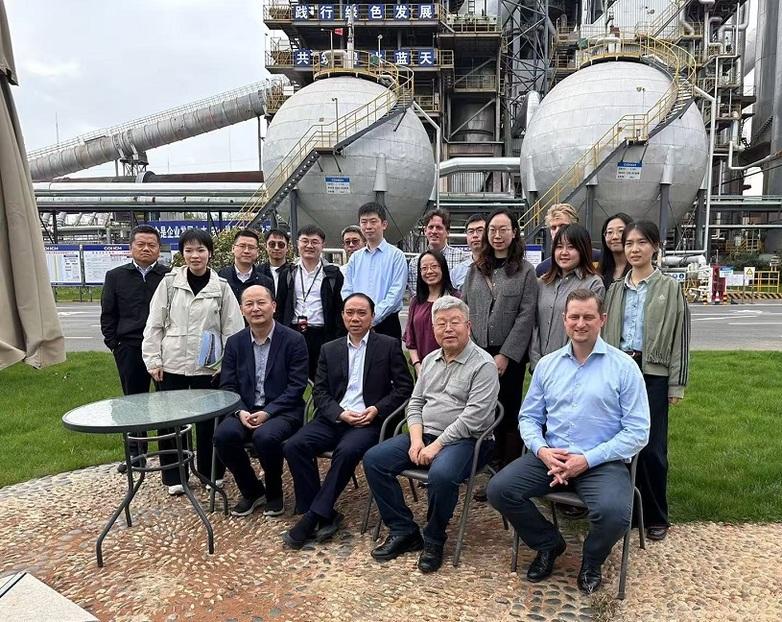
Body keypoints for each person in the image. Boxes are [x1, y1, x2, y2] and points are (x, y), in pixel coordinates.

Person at [487, 289, 650, 594]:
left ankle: (592, 560)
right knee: (500, 490)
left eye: (588, 316)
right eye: (574, 316)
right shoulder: (548, 365)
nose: (580, 323)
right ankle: (549, 544)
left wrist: (586, 460)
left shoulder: (623, 367)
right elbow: (529, 418)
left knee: (615, 513)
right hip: (552, 457)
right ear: (564, 320)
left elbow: (638, 431)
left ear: (602, 319)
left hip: (600, 461)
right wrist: (543, 450)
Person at [363, 296, 499, 573]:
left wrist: (435, 446)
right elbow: (415, 404)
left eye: (454, 322)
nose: (448, 328)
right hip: (425, 435)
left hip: (469, 439)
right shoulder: (430, 360)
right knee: (374, 460)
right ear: (434, 330)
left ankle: (435, 537)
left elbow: (473, 417)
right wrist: (415, 440)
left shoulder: (483, 365)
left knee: (442, 475)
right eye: (441, 324)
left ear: (468, 326)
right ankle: (403, 530)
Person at [282, 293, 413, 548]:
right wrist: (339, 413)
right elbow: (319, 392)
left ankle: (311, 518)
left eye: (362, 313)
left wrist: (376, 409)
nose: (355, 318)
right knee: (294, 445)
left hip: (369, 421)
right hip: (335, 417)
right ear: (342, 316)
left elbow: (404, 387)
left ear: (372, 317)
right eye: (350, 312)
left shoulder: (387, 345)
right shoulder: (329, 349)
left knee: (347, 450)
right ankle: (324, 512)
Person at [602, 220, 690, 542]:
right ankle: (623, 510)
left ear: (655, 246)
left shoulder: (669, 288)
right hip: (620, 371)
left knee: (652, 447)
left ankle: (655, 515)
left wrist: (675, 384)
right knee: (617, 443)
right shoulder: (615, 290)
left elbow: (680, 337)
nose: (634, 249)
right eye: (629, 243)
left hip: (653, 374)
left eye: (641, 242)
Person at [142, 228, 244, 495]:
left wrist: (225, 365)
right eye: (189, 250)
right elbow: (154, 324)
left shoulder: (220, 287)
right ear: (182, 254)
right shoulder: (169, 283)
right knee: (171, 419)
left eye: (200, 250)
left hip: (208, 366)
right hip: (172, 362)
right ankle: (175, 476)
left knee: (209, 422)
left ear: (210, 253)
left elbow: (232, 329)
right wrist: (153, 360)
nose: (195, 255)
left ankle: (212, 472)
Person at [213, 284, 309, 516]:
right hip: (245, 409)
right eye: (249, 304)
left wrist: (268, 412)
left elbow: (297, 386)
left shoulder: (293, 340)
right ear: (242, 309)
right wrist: (240, 412)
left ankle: (274, 492)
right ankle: (253, 490)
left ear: (273, 306)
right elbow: (228, 385)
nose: (256, 309)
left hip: (283, 411)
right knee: (223, 435)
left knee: (266, 436)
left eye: (261, 303)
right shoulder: (235, 343)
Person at [462, 207, 537, 469]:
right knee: (483, 406)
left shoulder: (526, 271)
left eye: (503, 229)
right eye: (492, 230)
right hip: (478, 351)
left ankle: (508, 464)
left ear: (514, 233)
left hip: (509, 355)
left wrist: (505, 355)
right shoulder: (476, 270)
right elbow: (466, 307)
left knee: (508, 406)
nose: (497, 235)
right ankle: (487, 457)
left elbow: (526, 315)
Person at [101, 225, 170, 473]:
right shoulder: (116, 276)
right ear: (131, 247)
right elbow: (108, 315)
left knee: (167, 401)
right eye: (140, 244)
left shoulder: (168, 276)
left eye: (151, 245)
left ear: (158, 249)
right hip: (129, 347)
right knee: (133, 402)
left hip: (163, 349)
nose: (146, 249)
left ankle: (169, 456)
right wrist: (114, 345)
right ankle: (136, 454)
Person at [530, 224, 605, 369]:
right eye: (559, 247)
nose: (564, 252)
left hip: (574, 365)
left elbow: (591, 329)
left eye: (570, 247)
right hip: (541, 364)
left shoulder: (593, 284)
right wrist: (536, 361)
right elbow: (534, 325)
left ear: (582, 249)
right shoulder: (542, 283)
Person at [276, 224, 344, 380]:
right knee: (293, 378)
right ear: (297, 244)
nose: (309, 246)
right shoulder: (287, 273)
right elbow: (279, 307)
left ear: (323, 245)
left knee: (321, 379)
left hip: (322, 334)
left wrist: (336, 338)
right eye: (304, 241)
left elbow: (338, 309)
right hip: (293, 332)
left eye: (315, 242)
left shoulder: (333, 274)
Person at [342, 202, 408, 339]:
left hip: (387, 322)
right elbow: (347, 289)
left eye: (373, 222)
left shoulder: (396, 256)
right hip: (357, 323)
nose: (368, 227)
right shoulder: (355, 258)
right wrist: (356, 315)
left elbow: (396, 293)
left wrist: (371, 318)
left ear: (384, 224)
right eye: (364, 222)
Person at [404, 249, 458, 372]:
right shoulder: (416, 302)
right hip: (423, 369)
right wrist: (418, 365)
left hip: (452, 368)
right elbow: (410, 340)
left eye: (434, 266)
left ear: (443, 268)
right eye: (424, 268)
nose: (429, 271)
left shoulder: (456, 299)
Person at [407, 209, 470, 295]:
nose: (434, 231)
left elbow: (465, 293)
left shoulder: (462, 259)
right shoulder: (415, 263)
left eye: (439, 228)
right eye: (431, 227)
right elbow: (416, 295)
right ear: (425, 231)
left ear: (447, 232)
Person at [535, 203, 600, 277]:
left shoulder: (599, 259)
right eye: (553, 227)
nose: (557, 231)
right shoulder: (543, 269)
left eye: (562, 226)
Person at [217, 229, 275, 305]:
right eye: (242, 246)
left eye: (251, 247)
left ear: (257, 252)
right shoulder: (221, 277)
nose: (246, 251)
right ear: (233, 249)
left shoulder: (266, 282)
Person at [597, 213, 633, 290]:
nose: (615, 237)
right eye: (610, 232)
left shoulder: (638, 270)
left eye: (621, 231)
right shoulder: (599, 274)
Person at [450, 213, 485, 289]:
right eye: (471, 231)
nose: (475, 235)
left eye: (480, 230)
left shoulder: (500, 267)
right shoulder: (457, 271)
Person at [259, 228, 291, 296]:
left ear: (287, 248)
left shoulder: (293, 272)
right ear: (266, 246)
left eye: (281, 245)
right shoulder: (257, 272)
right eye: (272, 244)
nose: (276, 248)